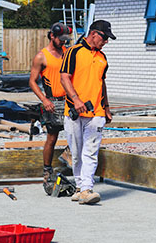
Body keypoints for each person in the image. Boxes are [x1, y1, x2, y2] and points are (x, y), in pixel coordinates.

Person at [60, 20, 114, 205]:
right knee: (76, 152)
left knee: (90, 151)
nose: (106, 41)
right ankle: (79, 186)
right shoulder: (73, 52)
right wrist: (76, 99)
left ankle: (86, 189)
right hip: (74, 111)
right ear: (93, 34)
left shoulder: (102, 58)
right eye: (104, 37)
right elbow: (64, 77)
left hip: (96, 112)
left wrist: (106, 107)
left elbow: (102, 83)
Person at [29, 22, 71, 194]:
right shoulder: (42, 57)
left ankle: (68, 155)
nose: (63, 42)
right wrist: (44, 100)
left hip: (68, 100)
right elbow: (32, 81)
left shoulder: (67, 53)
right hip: (52, 101)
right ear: (52, 36)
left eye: (65, 39)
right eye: (60, 39)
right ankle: (47, 171)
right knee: (52, 138)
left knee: (77, 132)